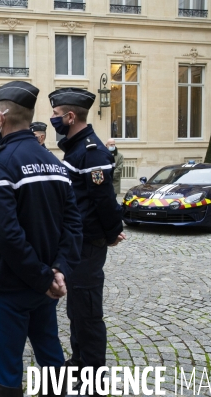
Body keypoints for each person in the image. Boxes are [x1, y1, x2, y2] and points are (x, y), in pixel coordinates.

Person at [0, 81, 83, 396]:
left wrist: (44, 276)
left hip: (12, 285)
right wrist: (59, 270)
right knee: (50, 354)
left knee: (8, 366)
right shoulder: (55, 163)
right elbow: (73, 223)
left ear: (1, 116)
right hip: (46, 281)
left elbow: (6, 233)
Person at [50, 88, 126, 394]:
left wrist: (111, 232)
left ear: (70, 116)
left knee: (89, 311)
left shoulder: (91, 151)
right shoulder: (76, 147)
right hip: (75, 242)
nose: (53, 120)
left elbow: (103, 200)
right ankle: (79, 360)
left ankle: (94, 373)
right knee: (76, 308)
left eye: (56, 115)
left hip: (88, 243)